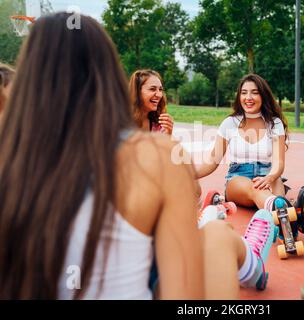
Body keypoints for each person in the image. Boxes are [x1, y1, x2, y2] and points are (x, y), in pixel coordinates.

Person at [0, 12, 275, 300]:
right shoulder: (150, 151)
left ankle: (234, 243)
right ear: (110, 77)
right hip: (161, 226)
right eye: (152, 89)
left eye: (160, 89)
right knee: (216, 235)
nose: (158, 94)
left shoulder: (13, 161)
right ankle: (249, 259)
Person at [195, 74, 290, 212]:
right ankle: (281, 213)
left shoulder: (274, 123)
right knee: (257, 190)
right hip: (238, 177)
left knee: (278, 196)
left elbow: (278, 163)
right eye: (244, 93)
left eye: (255, 93)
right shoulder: (230, 123)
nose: (248, 98)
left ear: (263, 96)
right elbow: (213, 160)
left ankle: (285, 215)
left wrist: (270, 177)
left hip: (269, 176)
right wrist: (190, 174)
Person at [129, 69, 174, 135]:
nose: (159, 95)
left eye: (160, 89)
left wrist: (168, 135)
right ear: (137, 92)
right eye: (152, 89)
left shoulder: (158, 124)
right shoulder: (121, 122)